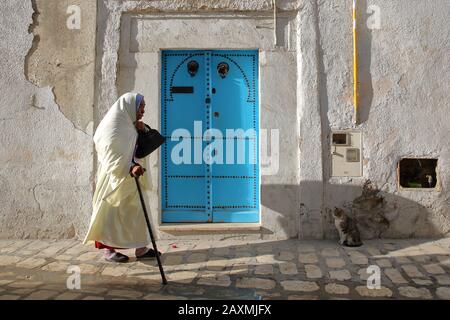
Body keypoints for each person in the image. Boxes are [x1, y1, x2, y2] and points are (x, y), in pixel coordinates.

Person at [83, 92, 161, 263]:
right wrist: (129, 167)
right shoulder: (112, 126)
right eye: (140, 106)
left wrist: (143, 129)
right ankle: (109, 250)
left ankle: (141, 248)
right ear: (129, 106)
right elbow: (108, 152)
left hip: (133, 176)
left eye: (143, 107)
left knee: (138, 212)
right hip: (115, 178)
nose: (143, 110)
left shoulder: (129, 123)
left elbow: (139, 145)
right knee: (111, 212)